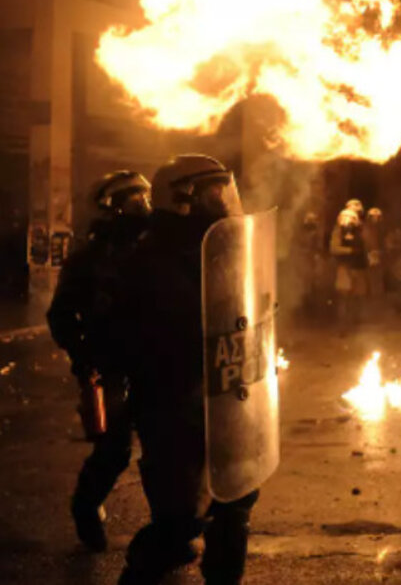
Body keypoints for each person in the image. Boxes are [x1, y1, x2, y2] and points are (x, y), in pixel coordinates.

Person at [115, 155, 260, 584]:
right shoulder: (150, 258)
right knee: (180, 519)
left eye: (225, 191)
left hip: (224, 398)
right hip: (173, 406)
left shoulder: (220, 250)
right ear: (182, 198)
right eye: (214, 193)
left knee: (235, 503)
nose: (224, 201)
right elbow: (137, 335)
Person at [46, 170, 151, 551]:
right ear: (113, 207)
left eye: (145, 196)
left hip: (152, 360)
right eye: (134, 198)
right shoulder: (89, 259)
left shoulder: (154, 250)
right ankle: (86, 507)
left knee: (163, 446)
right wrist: (83, 355)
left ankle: (172, 527)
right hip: (110, 364)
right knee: (115, 448)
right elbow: (61, 315)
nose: (144, 204)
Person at [329, 206, 368, 330]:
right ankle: (343, 325)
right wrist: (350, 251)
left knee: (356, 297)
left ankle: (354, 323)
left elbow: (363, 248)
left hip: (357, 267)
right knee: (344, 298)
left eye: (351, 218)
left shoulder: (359, 233)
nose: (348, 221)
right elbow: (334, 248)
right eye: (346, 218)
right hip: (344, 267)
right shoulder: (338, 232)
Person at [363, 207, 386, 302]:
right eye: (373, 217)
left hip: (379, 257)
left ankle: (378, 299)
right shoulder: (365, 229)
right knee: (369, 279)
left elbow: (384, 244)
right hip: (368, 257)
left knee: (378, 279)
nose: (375, 219)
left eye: (377, 217)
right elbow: (364, 243)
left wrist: (381, 252)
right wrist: (368, 253)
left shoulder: (382, 230)